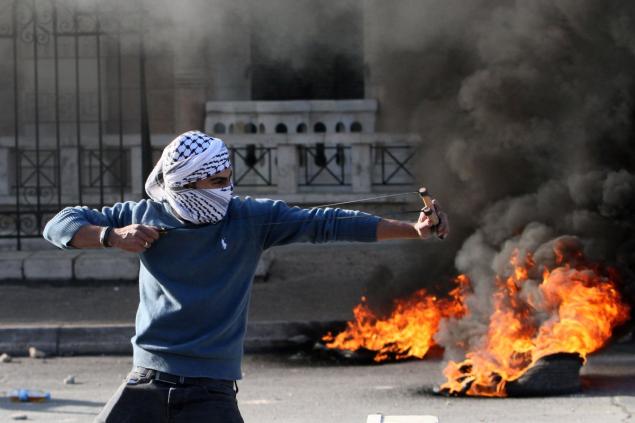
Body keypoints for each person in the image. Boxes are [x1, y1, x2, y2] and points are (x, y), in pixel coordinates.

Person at [43, 130, 449, 423]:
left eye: (229, 179)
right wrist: (111, 237)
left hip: (212, 391)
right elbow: (59, 225)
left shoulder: (250, 217)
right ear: (184, 183)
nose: (228, 189)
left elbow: (327, 223)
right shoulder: (142, 217)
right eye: (217, 182)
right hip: (147, 382)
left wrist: (412, 229)